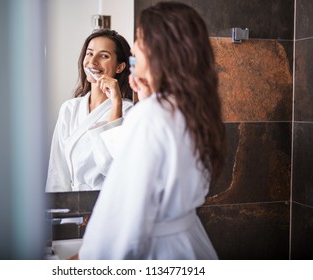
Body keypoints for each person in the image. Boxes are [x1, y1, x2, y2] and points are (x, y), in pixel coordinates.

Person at [78, 2, 226, 259]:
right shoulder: (191, 107)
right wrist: (147, 96)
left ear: (160, 50)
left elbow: (124, 212)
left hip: (160, 251)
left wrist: (90, 258)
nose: (133, 49)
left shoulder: (151, 116)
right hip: (190, 241)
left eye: (139, 40)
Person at [45, 29, 133, 192]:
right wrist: (63, 214)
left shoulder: (129, 112)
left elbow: (116, 168)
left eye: (104, 56)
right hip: (70, 211)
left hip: (107, 207)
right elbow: (57, 171)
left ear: (120, 67)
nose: (92, 62)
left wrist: (116, 103)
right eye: (89, 54)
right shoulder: (69, 109)